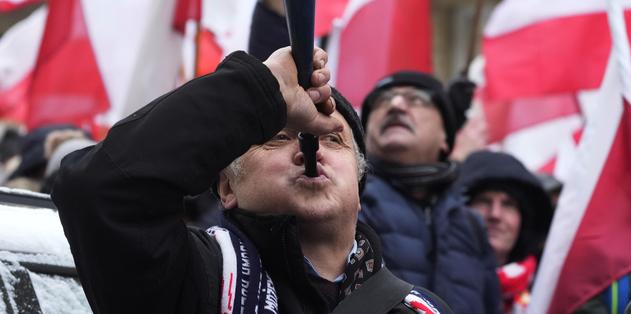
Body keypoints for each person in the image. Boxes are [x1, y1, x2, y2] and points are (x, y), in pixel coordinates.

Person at [52, 47, 453, 313]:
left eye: (333, 139)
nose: (308, 150)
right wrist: (262, 91)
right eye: (277, 138)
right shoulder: (190, 277)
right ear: (227, 188)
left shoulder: (419, 309)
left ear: (360, 188)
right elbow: (100, 188)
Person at [358, 71, 501, 314]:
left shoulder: (470, 224)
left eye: (417, 99)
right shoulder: (350, 199)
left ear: (446, 138)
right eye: (383, 100)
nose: (395, 105)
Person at [459, 150, 553, 313]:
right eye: (484, 201)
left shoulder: (549, 290)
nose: (495, 214)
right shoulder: (435, 279)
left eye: (508, 204)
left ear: (523, 221)